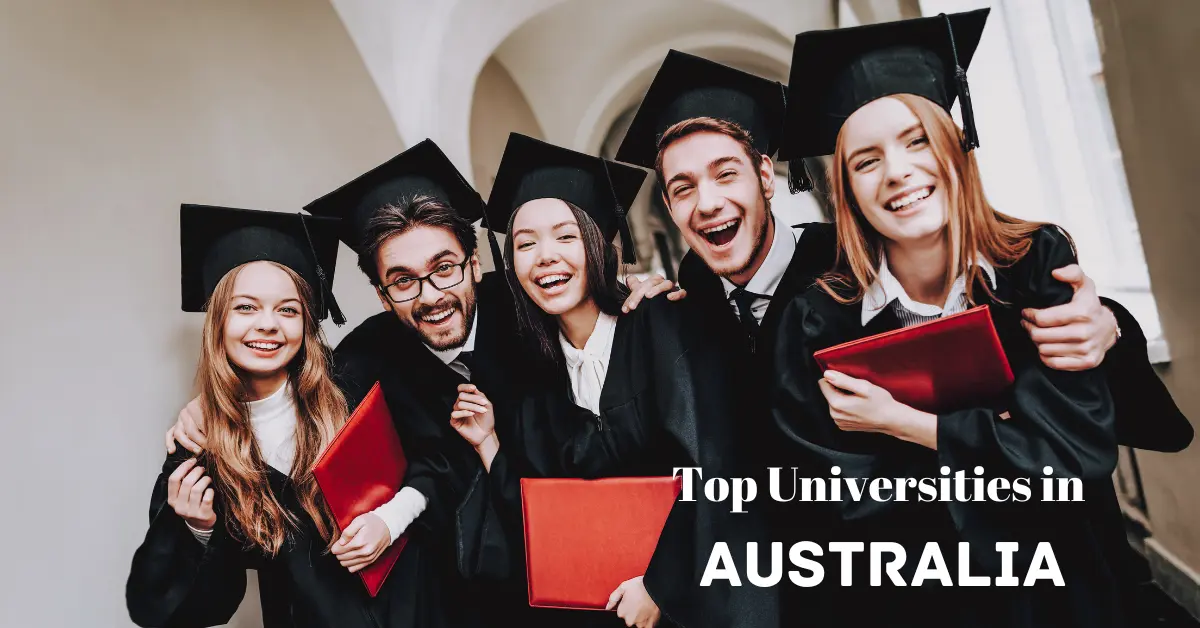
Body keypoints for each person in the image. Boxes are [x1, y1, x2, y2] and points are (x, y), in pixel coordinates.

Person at [162, 141, 681, 626]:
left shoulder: (529, 308)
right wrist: (210, 405)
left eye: (445, 269)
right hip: (448, 602)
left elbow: (589, 307)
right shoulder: (365, 358)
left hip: (580, 584)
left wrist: (635, 289)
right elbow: (289, 385)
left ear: (475, 265)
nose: (431, 295)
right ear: (383, 293)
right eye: (403, 280)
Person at [769, 10, 1135, 626]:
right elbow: (842, 505)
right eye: (865, 161)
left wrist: (905, 426)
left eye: (916, 140)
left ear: (954, 145)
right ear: (847, 191)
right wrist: (1005, 436)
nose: (897, 172)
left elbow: (1070, 464)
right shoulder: (819, 319)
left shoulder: (1036, 266)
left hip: (1065, 592)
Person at [450, 133, 767, 628]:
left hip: (695, 603)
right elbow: (546, 508)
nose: (545, 256)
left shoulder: (662, 324)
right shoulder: (536, 373)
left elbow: (716, 468)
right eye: (525, 244)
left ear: (600, 243)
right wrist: (488, 442)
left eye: (565, 236)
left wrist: (661, 585)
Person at [126, 204, 431, 627]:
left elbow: (438, 463)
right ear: (217, 322)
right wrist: (199, 527)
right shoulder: (199, 451)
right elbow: (182, 609)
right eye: (246, 307)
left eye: (287, 310)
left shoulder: (356, 384)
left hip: (421, 611)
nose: (268, 324)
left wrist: (391, 518)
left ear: (307, 322)